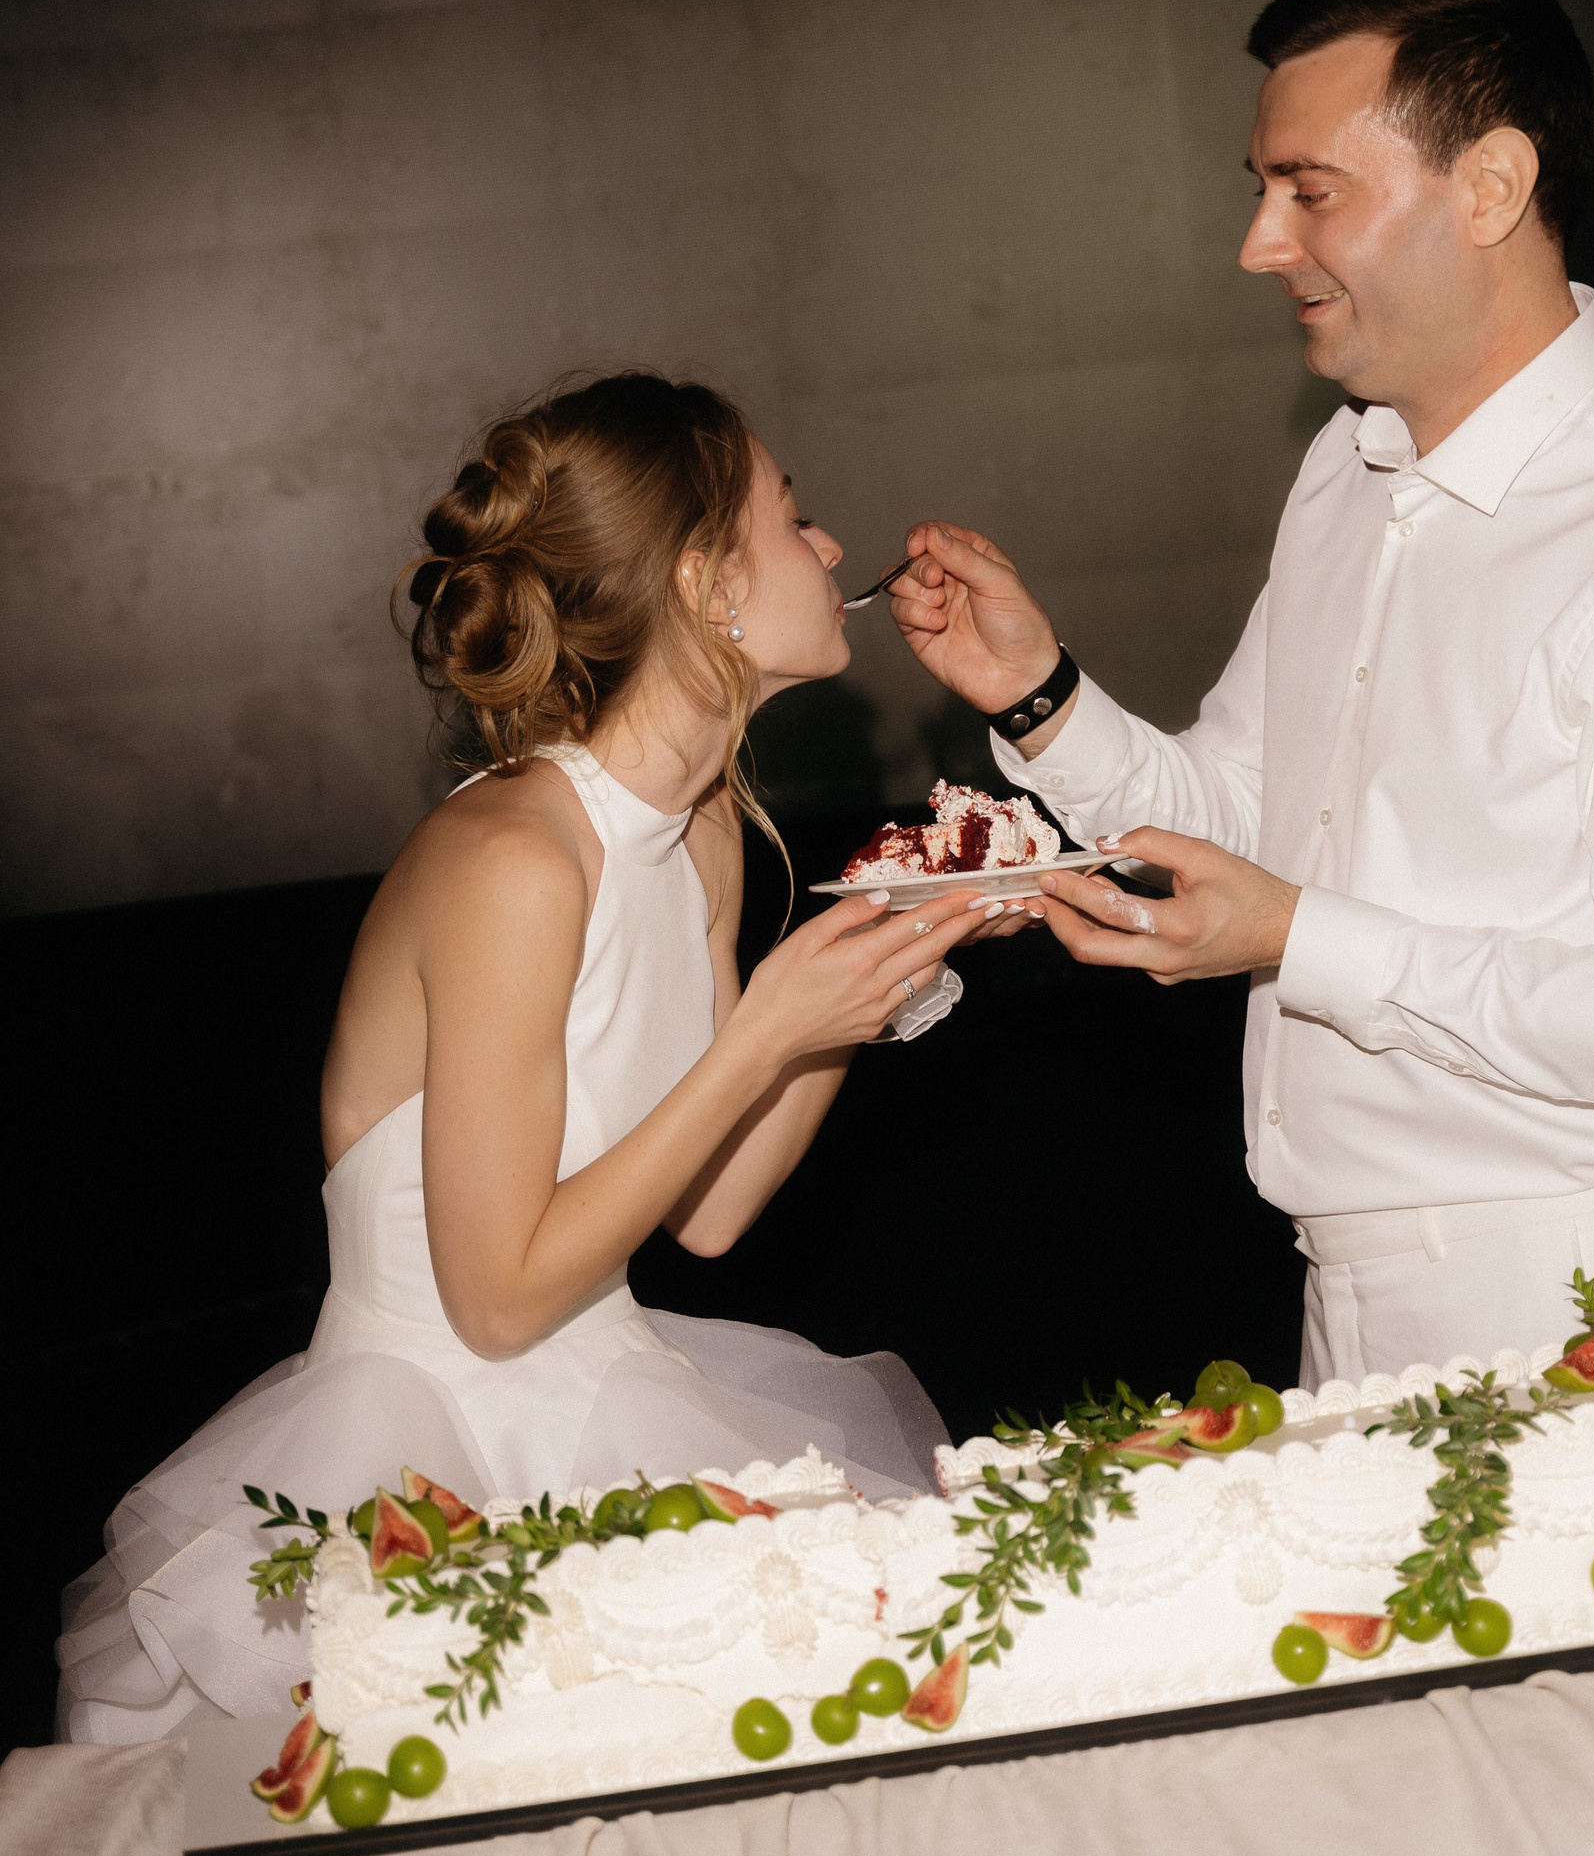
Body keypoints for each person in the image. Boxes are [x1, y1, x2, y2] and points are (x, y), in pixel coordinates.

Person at [887, 0, 1594, 1385]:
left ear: (1492, 186)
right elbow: (1248, 822)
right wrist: (1041, 697)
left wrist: (1297, 937)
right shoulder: (1347, 467)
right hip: (1343, 1288)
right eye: (1263, 189)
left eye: (1310, 191)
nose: (1259, 245)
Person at [59, 373, 982, 1743]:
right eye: (794, 517)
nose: (832, 546)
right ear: (702, 584)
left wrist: (876, 973)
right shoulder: (513, 860)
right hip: (417, 1455)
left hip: (614, 1398)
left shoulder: (706, 828)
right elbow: (494, 1302)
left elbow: (713, 1211)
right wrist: (768, 1032)